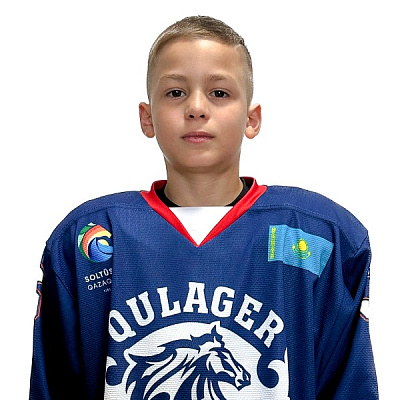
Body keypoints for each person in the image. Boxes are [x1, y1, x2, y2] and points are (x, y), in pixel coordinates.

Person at [30, 15, 378, 399]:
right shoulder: (90, 236)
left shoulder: (318, 236)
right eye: (176, 92)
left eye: (219, 93)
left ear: (252, 119)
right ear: (147, 118)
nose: (196, 108)